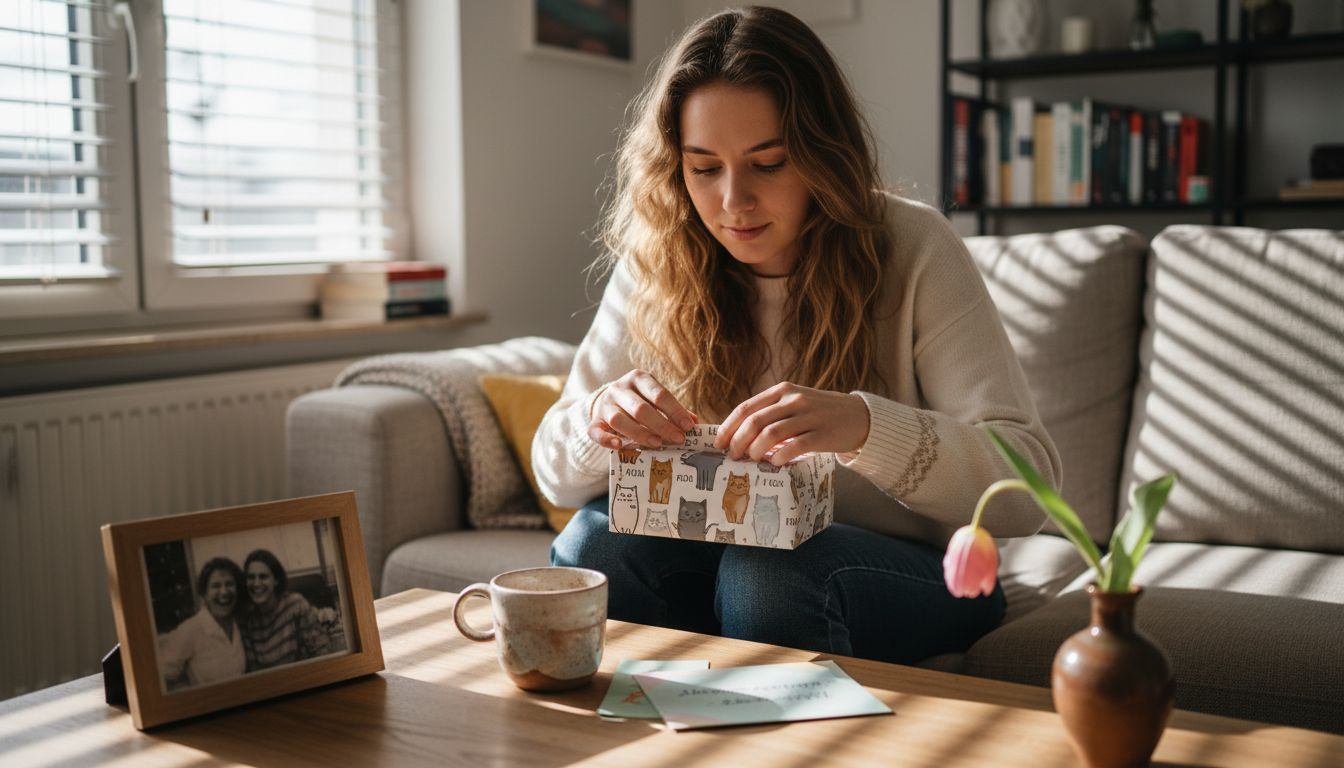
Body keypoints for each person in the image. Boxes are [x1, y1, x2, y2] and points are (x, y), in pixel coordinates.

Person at [532, 6, 1062, 665]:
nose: (734, 201)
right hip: (727, 557)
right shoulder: (660, 258)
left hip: (903, 573)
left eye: (769, 162)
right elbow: (555, 479)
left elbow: (1029, 480)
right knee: (594, 549)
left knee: (769, 570)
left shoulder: (916, 247)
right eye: (704, 168)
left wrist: (864, 428)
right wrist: (595, 422)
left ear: (821, 153)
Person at [158, 557, 246, 689]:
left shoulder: (240, 624)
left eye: (229, 584)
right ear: (204, 594)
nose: (224, 592)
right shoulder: (190, 629)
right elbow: (162, 675)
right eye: (216, 585)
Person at [241, 549, 331, 670]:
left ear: (276, 580)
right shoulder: (248, 621)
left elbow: (321, 649)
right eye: (251, 577)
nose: (256, 583)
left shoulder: (295, 605)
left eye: (263, 577)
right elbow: (254, 671)